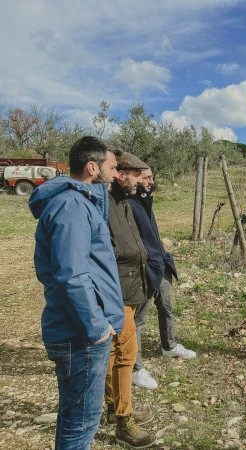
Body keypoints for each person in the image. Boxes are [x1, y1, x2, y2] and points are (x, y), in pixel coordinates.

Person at [28, 136, 123, 449]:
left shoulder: (81, 202)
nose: (117, 173)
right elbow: (72, 275)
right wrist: (96, 328)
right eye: (112, 167)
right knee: (81, 423)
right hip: (79, 334)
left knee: (76, 419)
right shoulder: (71, 205)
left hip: (79, 330)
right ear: (92, 167)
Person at [105, 151, 156, 448]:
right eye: (137, 175)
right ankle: (124, 421)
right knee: (126, 354)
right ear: (121, 173)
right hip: (118, 291)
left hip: (130, 287)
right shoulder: (105, 203)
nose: (142, 181)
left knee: (116, 353)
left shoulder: (124, 200)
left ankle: (114, 407)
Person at [129, 167, 196, 390]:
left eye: (151, 177)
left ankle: (169, 346)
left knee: (167, 307)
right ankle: (135, 369)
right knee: (138, 321)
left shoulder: (146, 199)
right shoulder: (127, 202)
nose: (151, 181)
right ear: (135, 179)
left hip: (160, 263)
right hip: (144, 269)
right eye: (146, 178)